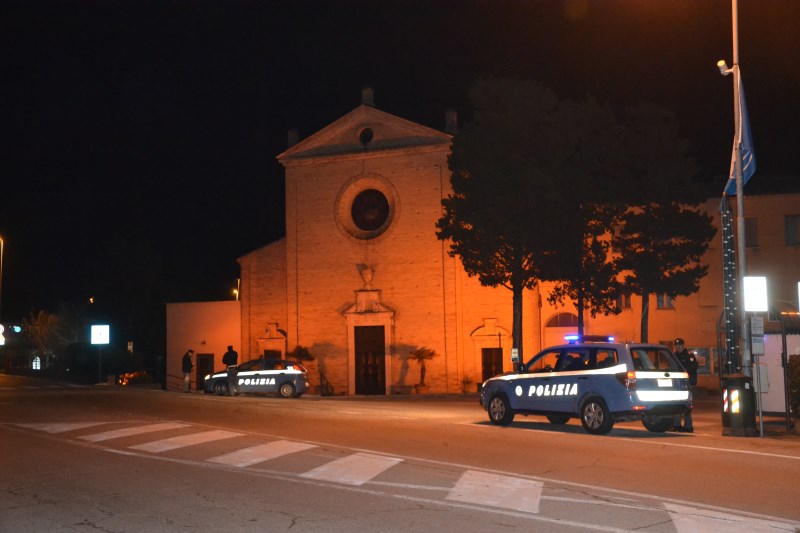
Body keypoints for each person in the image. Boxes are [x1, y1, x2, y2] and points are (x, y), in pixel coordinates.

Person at [672, 338, 698, 433]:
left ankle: (688, 426)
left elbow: (693, 368)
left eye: (680, 345)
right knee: (677, 404)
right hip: (678, 383)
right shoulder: (674, 355)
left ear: (683, 345)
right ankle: (677, 425)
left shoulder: (689, 355)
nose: (678, 347)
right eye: (676, 345)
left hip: (688, 384)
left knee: (686, 405)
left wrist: (681, 370)